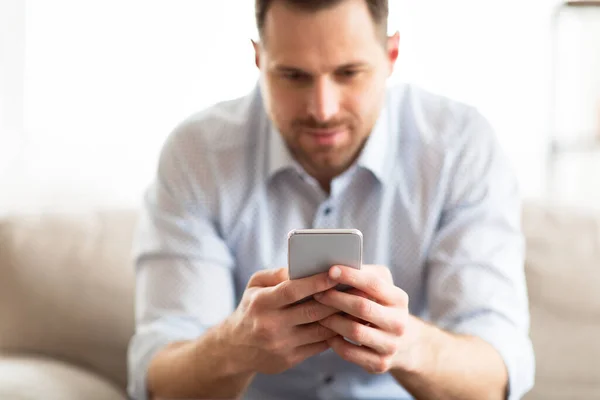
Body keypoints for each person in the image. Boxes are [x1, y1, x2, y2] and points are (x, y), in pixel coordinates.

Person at [127, 0, 535, 399]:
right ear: (258, 60)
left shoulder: (459, 148)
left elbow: (496, 375)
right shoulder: (196, 155)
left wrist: (407, 345)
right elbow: (161, 382)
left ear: (391, 55)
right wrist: (236, 346)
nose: (322, 109)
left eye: (349, 73)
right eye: (293, 75)